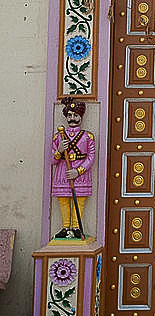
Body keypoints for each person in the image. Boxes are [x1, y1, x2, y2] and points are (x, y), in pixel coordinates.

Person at [51, 96, 95, 239]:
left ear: (80, 116)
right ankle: (65, 227)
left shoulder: (87, 136)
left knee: (79, 199)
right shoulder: (58, 136)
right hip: (63, 171)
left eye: (75, 115)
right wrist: (59, 150)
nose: (72, 118)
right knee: (63, 199)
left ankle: (76, 226)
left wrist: (78, 171)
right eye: (69, 115)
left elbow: (91, 157)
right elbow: (52, 159)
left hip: (80, 173)